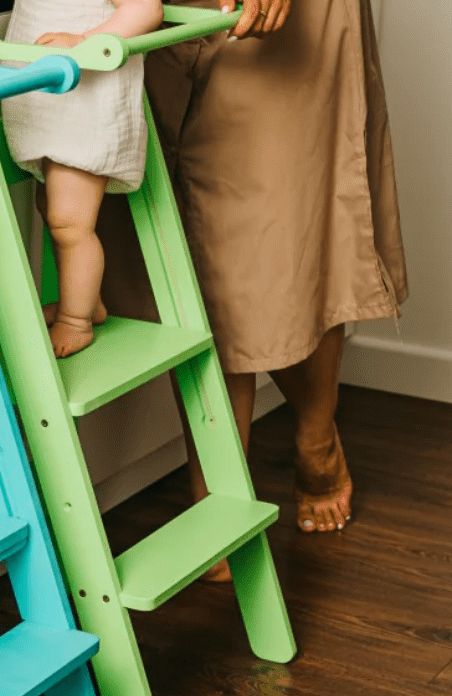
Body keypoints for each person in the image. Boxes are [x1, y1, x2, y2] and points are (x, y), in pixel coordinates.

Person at [101, 0, 407, 558]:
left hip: (296, 24)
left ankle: (315, 437)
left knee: (283, 240)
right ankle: (219, 498)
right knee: (191, 253)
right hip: (156, 14)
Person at [2, 0, 165, 358]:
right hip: (54, 101)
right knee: (51, 209)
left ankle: (77, 321)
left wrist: (82, 42)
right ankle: (85, 304)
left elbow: (146, 9)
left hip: (85, 103)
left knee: (69, 222)